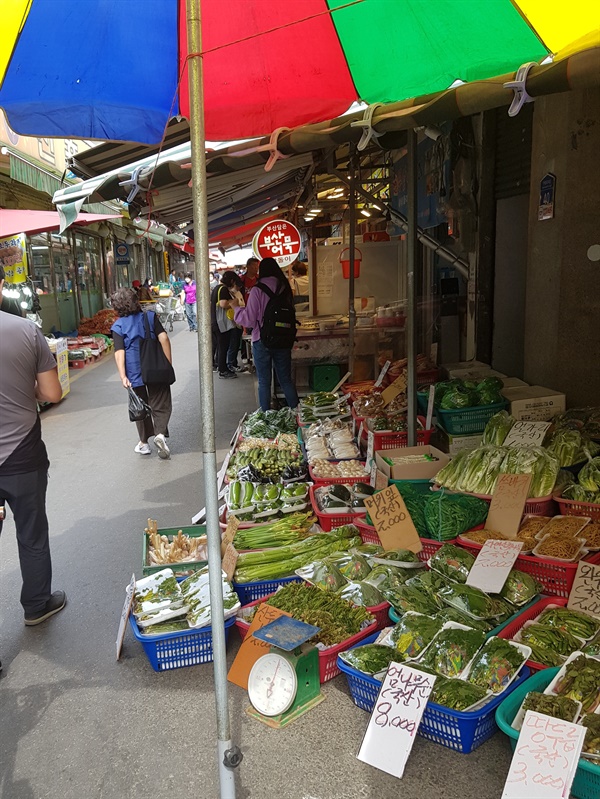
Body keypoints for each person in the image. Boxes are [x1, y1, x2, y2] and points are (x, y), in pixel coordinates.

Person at [0, 264, 67, 627]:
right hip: (23, 454)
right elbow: (52, 393)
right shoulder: (26, 330)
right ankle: (38, 604)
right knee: (31, 532)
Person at [111, 288, 173, 459]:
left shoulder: (118, 326)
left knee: (140, 406)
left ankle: (144, 443)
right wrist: (167, 363)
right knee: (160, 400)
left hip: (134, 372)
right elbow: (164, 339)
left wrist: (123, 376)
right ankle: (160, 434)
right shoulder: (150, 317)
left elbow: (119, 352)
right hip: (155, 367)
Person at [231, 257, 299, 410]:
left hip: (262, 340)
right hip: (283, 339)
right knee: (286, 380)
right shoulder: (285, 287)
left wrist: (236, 308)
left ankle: (266, 417)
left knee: (264, 381)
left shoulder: (257, 289)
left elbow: (248, 320)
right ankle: (297, 414)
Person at [210, 270, 239, 380]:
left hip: (215, 321)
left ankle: (220, 366)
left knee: (220, 346)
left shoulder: (217, 288)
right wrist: (234, 302)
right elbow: (223, 304)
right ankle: (223, 370)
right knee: (223, 346)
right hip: (221, 322)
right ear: (231, 281)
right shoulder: (223, 289)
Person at [227, 273, 246, 372]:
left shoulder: (237, 293)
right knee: (233, 344)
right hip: (234, 321)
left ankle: (233, 363)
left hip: (239, 321)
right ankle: (231, 363)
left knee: (235, 343)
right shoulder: (231, 293)